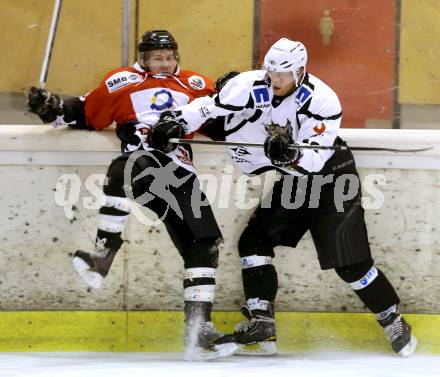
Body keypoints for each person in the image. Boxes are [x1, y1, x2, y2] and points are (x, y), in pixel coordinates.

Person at [148, 38, 418, 357]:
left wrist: (290, 157)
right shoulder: (247, 88)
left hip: (332, 176)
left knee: (351, 263)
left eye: (283, 74)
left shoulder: (322, 100)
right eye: (271, 73)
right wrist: (174, 122)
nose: (275, 80)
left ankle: (393, 320)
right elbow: (205, 107)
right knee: (254, 240)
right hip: (293, 179)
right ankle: (262, 319)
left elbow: (314, 161)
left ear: (301, 72)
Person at [26, 30, 237, 360]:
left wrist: (232, 97)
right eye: (157, 57)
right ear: (143, 58)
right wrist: (50, 106)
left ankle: (198, 330)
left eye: (169, 57)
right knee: (124, 169)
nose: (164, 63)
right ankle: (102, 255)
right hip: (143, 161)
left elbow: (222, 127)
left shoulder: (197, 85)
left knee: (205, 244)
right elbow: (82, 112)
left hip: (181, 172)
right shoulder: (122, 81)